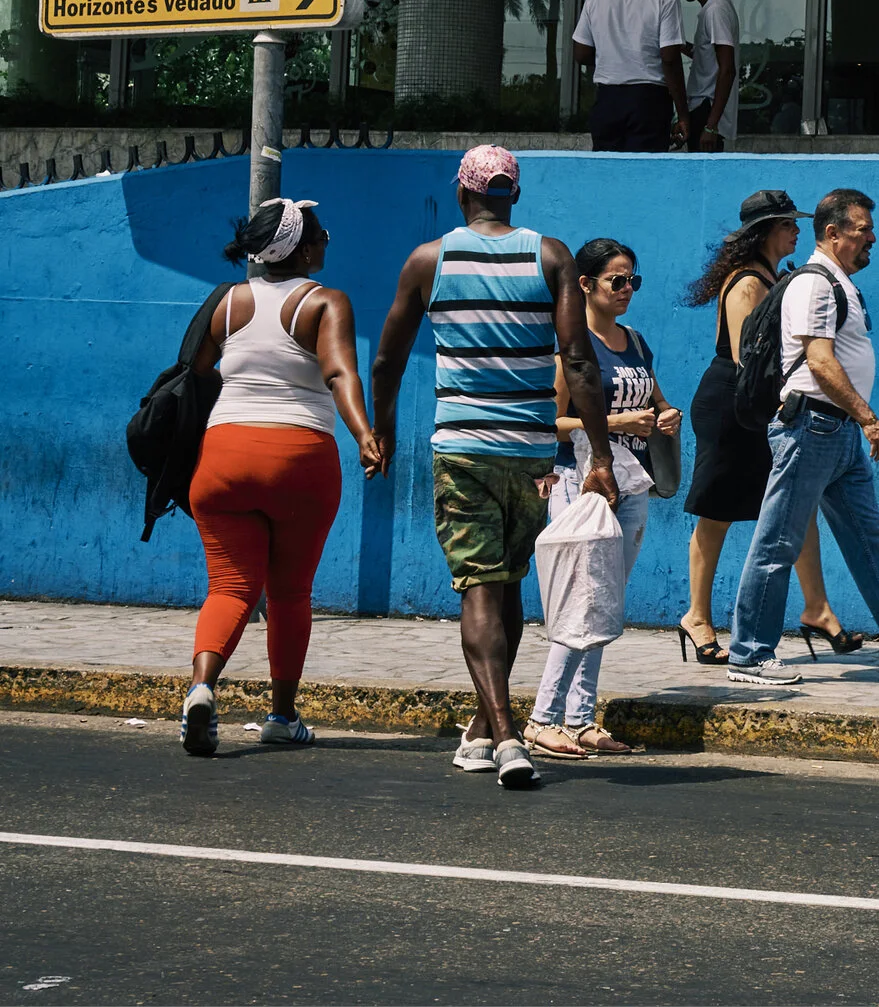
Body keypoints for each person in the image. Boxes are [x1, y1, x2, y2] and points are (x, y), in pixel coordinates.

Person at [370, 146, 618, 790]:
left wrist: (382, 430)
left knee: (483, 585)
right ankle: (486, 730)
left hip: (462, 449)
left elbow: (387, 361)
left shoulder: (430, 260)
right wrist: (600, 458)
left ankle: (505, 734)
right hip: (532, 454)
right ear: (514, 195)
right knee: (506, 585)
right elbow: (580, 360)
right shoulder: (551, 255)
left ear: (462, 195)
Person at [724, 188, 879, 685]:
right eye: (863, 230)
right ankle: (749, 654)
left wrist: (855, 423)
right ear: (832, 233)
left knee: (868, 539)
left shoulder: (838, 283)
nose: (872, 238)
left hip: (834, 433)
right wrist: (869, 419)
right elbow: (819, 360)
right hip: (812, 427)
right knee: (778, 542)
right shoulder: (814, 285)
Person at [176, 199, 385, 757]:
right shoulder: (323, 301)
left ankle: (201, 688)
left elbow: (195, 374)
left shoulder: (224, 302)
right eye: (320, 233)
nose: (326, 241)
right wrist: (365, 434)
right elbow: (339, 371)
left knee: (228, 587)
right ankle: (282, 715)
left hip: (222, 456)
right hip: (298, 457)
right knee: (289, 592)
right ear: (301, 247)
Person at [680, 189, 862, 664]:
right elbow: (750, 361)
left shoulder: (773, 277)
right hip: (734, 405)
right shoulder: (746, 284)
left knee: (793, 504)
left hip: (763, 404)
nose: (796, 230)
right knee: (716, 510)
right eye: (787, 224)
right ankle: (697, 616)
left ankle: (817, 607)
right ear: (763, 232)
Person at [522, 238, 679, 761]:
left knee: (605, 603)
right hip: (582, 483)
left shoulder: (634, 340)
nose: (628, 289)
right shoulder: (573, 346)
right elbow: (555, 424)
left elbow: (655, 398)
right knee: (578, 605)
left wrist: (665, 415)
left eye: (633, 279)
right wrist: (615, 423)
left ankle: (581, 718)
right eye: (617, 280)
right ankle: (542, 719)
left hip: (631, 484)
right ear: (585, 285)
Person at [574, 0, 691, 153]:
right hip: (649, 102)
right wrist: (683, 114)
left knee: (607, 171)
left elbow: (581, 54)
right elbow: (670, 58)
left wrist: (611, 58)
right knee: (646, 172)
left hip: (607, 99)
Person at [672, 0, 738, 151]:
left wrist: (710, 127)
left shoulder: (716, 10)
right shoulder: (714, 7)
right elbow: (708, 57)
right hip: (703, 110)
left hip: (707, 109)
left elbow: (727, 69)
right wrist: (679, 45)